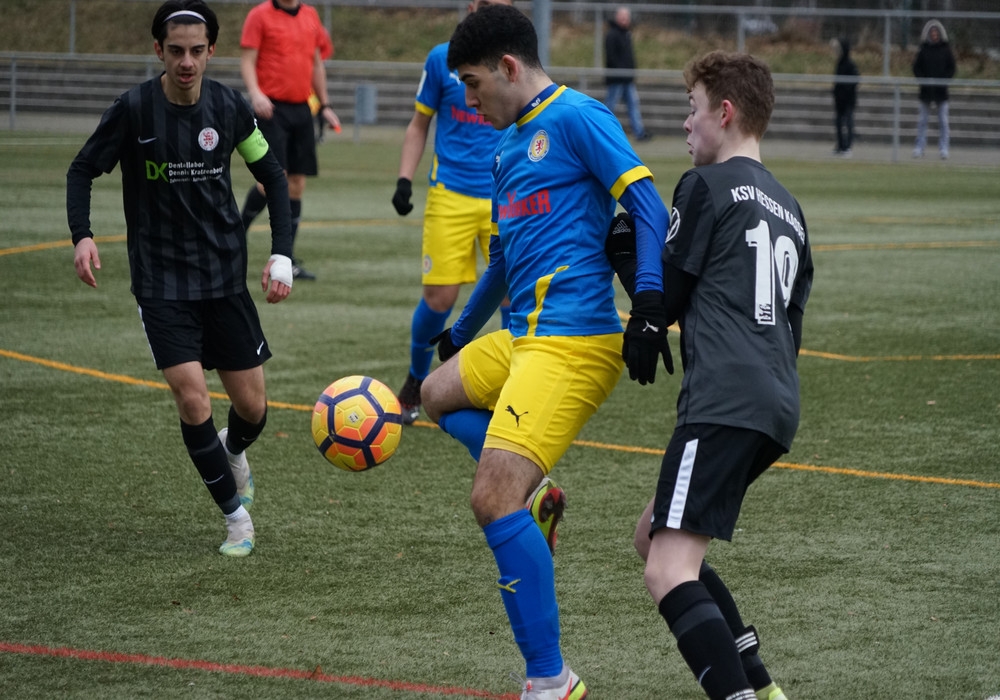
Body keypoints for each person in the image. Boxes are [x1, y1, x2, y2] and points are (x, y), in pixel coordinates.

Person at [420, 5, 670, 698]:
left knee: (491, 498)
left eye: (474, 85)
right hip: (522, 336)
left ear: (508, 67)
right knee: (435, 394)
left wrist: (649, 305)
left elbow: (648, 206)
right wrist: (461, 329)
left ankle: (550, 679)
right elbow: (503, 258)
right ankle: (537, 497)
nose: (469, 103)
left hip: (573, 342)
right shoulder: (505, 148)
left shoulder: (579, 116)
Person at [66, 0, 294, 558]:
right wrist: (82, 234)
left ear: (211, 50)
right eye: (175, 51)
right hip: (161, 283)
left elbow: (272, 175)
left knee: (253, 409)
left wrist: (282, 254)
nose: (186, 62)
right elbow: (82, 169)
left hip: (224, 278)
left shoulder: (230, 106)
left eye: (196, 51)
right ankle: (236, 520)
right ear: (158, 51)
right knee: (193, 400)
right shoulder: (133, 110)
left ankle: (233, 451)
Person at [617, 51, 812, 700]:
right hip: (775, 404)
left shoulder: (705, 186)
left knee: (667, 571)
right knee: (653, 537)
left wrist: (626, 258)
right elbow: (790, 328)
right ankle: (762, 687)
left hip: (723, 399)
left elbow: (665, 301)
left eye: (692, 108)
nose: (685, 123)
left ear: (724, 113)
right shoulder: (790, 209)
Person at [391, 0, 513, 427]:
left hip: (506, 194)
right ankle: (415, 378)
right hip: (451, 193)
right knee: (439, 299)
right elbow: (419, 124)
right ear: (471, 5)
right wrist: (404, 179)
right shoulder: (442, 59)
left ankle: (511, 388)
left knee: (512, 296)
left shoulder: (515, 62)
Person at [239, 0, 341, 280]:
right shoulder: (259, 16)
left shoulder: (310, 15)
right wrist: (256, 94)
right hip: (271, 109)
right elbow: (247, 60)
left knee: (296, 184)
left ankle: (287, 259)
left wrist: (325, 105)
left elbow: (316, 64)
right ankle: (236, 233)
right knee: (272, 180)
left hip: (301, 110)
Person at [603, 6, 651, 141]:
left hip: (627, 78)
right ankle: (603, 130)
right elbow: (611, 57)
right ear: (617, 17)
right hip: (616, 78)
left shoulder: (626, 34)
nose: (625, 20)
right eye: (622, 17)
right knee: (610, 106)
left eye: (627, 17)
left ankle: (639, 132)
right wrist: (621, 71)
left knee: (633, 104)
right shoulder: (612, 35)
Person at [912, 19, 955, 160]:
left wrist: (944, 80)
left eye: (936, 33)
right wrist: (923, 80)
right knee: (922, 121)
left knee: (943, 121)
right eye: (932, 33)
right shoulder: (923, 50)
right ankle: (919, 147)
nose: (934, 35)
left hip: (941, 91)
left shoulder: (946, 50)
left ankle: (944, 148)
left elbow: (951, 68)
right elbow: (916, 68)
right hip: (926, 91)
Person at [832, 37, 859, 156]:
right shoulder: (839, 63)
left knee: (848, 123)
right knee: (838, 123)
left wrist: (846, 92)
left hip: (848, 100)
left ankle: (848, 147)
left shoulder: (850, 64)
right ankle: (840, 146)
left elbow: (854, 81)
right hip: (839, 100)